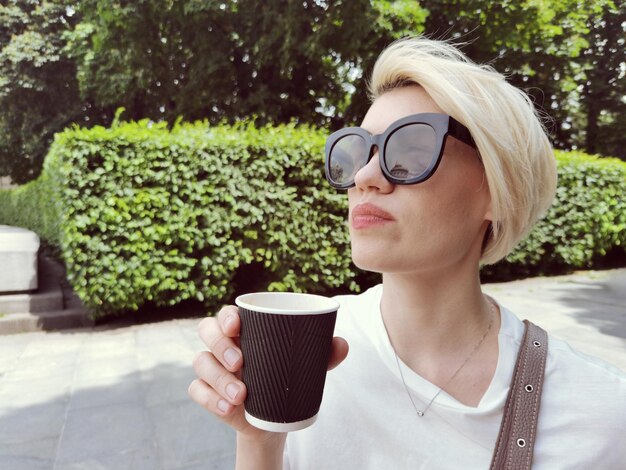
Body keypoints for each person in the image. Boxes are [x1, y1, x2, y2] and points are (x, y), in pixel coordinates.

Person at [188, 37, 626, 469]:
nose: (364, 176)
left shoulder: (599, 415)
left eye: (410, 150)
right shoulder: (309, 355)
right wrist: (260, 439)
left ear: (497, 192)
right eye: (356, 151)